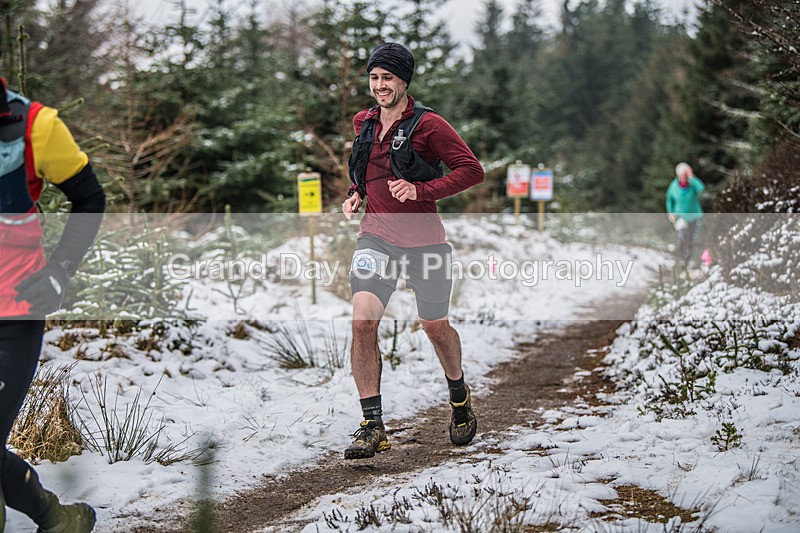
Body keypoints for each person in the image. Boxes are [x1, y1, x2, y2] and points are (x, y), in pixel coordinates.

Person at [341, 42, 485, 460]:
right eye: (374, 77)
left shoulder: (430, 125)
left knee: (434, 326)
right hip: (377, 238)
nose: (380, 85)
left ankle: (459, 397)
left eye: (388, 78)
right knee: (362, 322)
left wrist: (422, 190)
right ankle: (372, 425)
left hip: (425, 243)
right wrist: (355, 195)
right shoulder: (363, 122)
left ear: (404, 82)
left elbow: (471, 171)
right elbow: (367, 173)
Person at [1, 77, 105, 532]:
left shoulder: (36, 126)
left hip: (14, 313)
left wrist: (60, 271)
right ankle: (55, 517)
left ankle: (55, 517)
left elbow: (89, 198)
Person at [666, 162, 704, 268]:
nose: (683, 177)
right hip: (680, 217)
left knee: (692, 238)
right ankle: (683, 260)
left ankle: (692, 260)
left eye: (685, 175)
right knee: (682, 237)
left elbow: (701, 189)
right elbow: (670, 200)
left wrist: (691, 177)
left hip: (695, 216)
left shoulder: (693, 184)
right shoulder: (673, 186)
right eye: (681, 175)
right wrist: (670, 212)